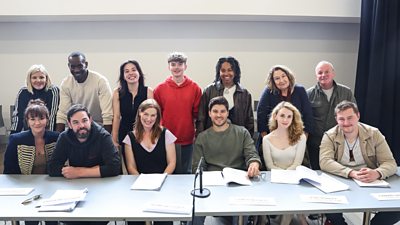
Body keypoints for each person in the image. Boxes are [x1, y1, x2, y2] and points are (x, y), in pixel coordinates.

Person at [319, 101, 400, 225]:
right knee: (327, 206)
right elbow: (324, 161)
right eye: (342, 119)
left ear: (358, 116)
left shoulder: (374, 133)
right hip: (341, 178)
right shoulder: (329, 135)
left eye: (350, 117)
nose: (346, 123)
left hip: (370, 180)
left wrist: (377, 173)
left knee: (396, 208)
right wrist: (351, 173)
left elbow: (390, 163)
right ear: (336, 119)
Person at [192, 96, 261, 225]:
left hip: (238, 184)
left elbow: (252, 154)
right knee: (195, 209)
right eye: (215, 111)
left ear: (227, 113)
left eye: (222, 111)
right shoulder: (202, 138)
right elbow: (197, 167)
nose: (219, 115)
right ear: (209, 113)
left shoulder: (242, 132)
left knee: (242, 213)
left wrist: (254, 163)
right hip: (212, 185)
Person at [48, 104, 120, 225]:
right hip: (73, 189)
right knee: (71, 219)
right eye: (75, 122)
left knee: (96, 220)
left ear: (90, 120)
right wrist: (95, 170)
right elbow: (52, 167)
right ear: (69, 125)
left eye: (84, 120)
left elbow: (114, 168)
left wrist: (78, 172)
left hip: (101, 188)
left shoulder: (103, 136)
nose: (81, 126)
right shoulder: (64, 137)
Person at [4, 99, 59, 225]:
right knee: (31, 221)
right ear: (27, 122)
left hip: (51, 186)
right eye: (32, 119)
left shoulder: (56, 137)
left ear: (47, 119)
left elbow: (61, 164)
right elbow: (9, 171)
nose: (37, 123)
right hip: (26, 188)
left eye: (41, 118)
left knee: (52, 221)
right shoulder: (16, 139)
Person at [124, 99, 176, 225]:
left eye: (153, 115)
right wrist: (143, 185)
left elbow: (172, 163)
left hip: (163, 184)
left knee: (163, 221)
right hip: (139, 186)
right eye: (146, 114)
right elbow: (131, 167)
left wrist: (160, 181)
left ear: (157, 117)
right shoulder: (130, 137)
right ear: (140, 114)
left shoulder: (166, 134)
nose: (149, 119)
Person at [154, 52, 202, 174]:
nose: (176, 67)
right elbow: (156, 115)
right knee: (168, 174)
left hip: (187, 138)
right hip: (166, 139)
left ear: (185, 66)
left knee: (186, 174)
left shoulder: (195, 88)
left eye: (180, 64)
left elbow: (197, 114)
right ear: (168, 67)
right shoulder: (160, 89)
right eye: (173, 64)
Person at [262, 101, 307, 225]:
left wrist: (287, 179)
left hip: (294, 179)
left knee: (290, 197)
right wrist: (282, 178)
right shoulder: (266, 139)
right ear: (275, 116)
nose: (285, 119)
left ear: (293, 119)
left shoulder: (301, 137)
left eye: (289, 116)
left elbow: (297, 163)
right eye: (282, 116)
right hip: (274, 179)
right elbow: (269, 166)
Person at [257, 65, 313, 160]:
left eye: (283, 76)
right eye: (277, 78)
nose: (281, 80)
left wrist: (302, 142)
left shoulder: (300, 90)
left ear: (288, 76)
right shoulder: (268, 92)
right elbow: (261, 118)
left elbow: (308, 117)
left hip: (296, 139)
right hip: (272, 141)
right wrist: (268, 142)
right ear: (273, 81)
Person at [307, 61, 356, 170]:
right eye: (320, 73)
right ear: (316, 76)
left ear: (333, 73)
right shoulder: (309, 94)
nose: (323, 75)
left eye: (327, 72)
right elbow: (304, 119)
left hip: (341, 142)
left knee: (339, 172)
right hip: (315, 143)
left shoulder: (346, 92)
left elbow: (354, 115)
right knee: (317, 173)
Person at [56, 51, 113, 133]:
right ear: (69, 66)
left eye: (80, 66)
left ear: (86, 64)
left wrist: (107, 138)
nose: (76, 70)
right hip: (76, 127)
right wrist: (58, 140)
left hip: (98, 126)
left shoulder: (100, 81)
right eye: (73, 67)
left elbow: (107, 115)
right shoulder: (66, 84)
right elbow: (62, 113)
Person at [196, 56, 254, 137]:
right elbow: (201, 118)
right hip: (212, 139)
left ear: (235, 72)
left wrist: (247, 141)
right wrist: (199, 138)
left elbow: (249, 122)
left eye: (230, 70)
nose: (226, 73)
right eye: (223, 70)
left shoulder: (244, 94)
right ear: (218, 72)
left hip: (237, 139)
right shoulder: (209, 91)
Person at [112, 60, 153, 148]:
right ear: (123, 76)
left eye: (134, 70)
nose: (131, 73)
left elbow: (152, 116)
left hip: (144, 133)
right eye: (127, 71)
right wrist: (114, 139)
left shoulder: (148, 91)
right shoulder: (117, 93)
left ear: (139, 73)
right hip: (124, 133)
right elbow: (117, 116)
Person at [11, 64, 60, 133]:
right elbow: (18, 116)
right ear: (29, 79)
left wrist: (48, 137)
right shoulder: (23, 92)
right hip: (28, 132)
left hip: (48, 132)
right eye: (34, 78)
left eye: (41, 77)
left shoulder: (53, 91)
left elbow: (52, 116)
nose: (38, 80)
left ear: (46, 79)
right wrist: (13, 136)